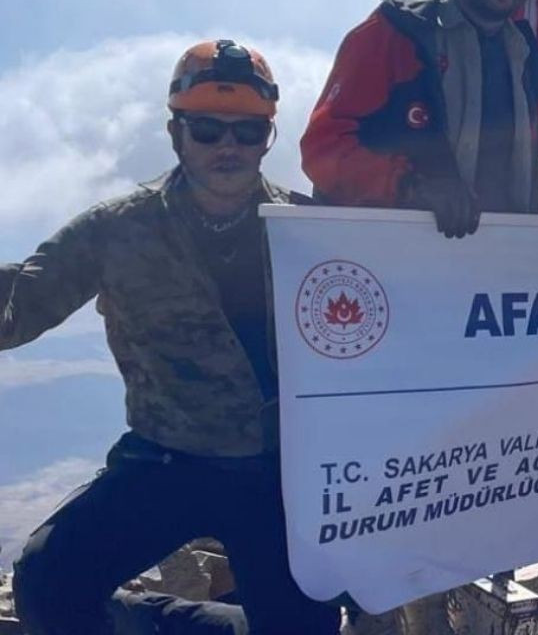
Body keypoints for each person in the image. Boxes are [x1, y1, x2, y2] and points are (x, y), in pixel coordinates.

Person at [6, 40, 339, 634]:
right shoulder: (117, 230)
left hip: (277, 472)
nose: (229, 147)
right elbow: (19, 304)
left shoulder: (309, 229)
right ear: (176, 132)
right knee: (48, 579)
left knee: (303, 624)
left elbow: (392, 318)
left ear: (268, 137)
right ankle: (148, 619)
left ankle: (191, 624)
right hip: (167, 458)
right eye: (208, 130)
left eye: (248, 132)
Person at [301, 0, 538, 236]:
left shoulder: (526, 55)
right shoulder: (397, 31)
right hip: (391, 259)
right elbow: (323, 150)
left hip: (498, 266)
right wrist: (409, 187)